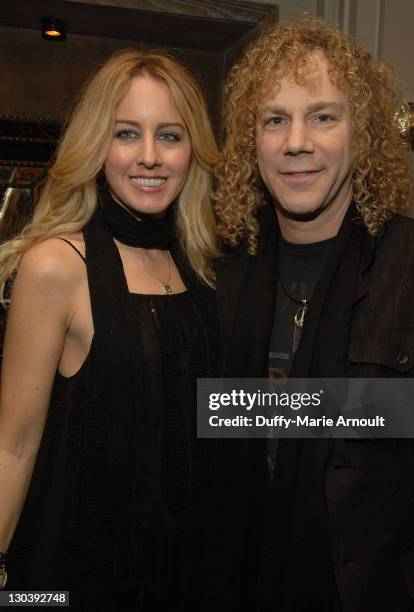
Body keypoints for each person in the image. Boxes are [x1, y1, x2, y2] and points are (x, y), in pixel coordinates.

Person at [214, 17, 414, 611]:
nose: (297, 142)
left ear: (361, 133)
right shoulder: (216, 272)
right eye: (275, 120)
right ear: (252, 142)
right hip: (238, 577)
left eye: (323, 116)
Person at [0, 49, 219, 610]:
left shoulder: (202, 268)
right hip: (73, 575)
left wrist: (389, 410)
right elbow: (14, 444)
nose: (149, 157)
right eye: (126, 133)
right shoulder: (56, 266)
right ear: (98, 146)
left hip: (187, 570)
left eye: (169, 135)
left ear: (192, 150)